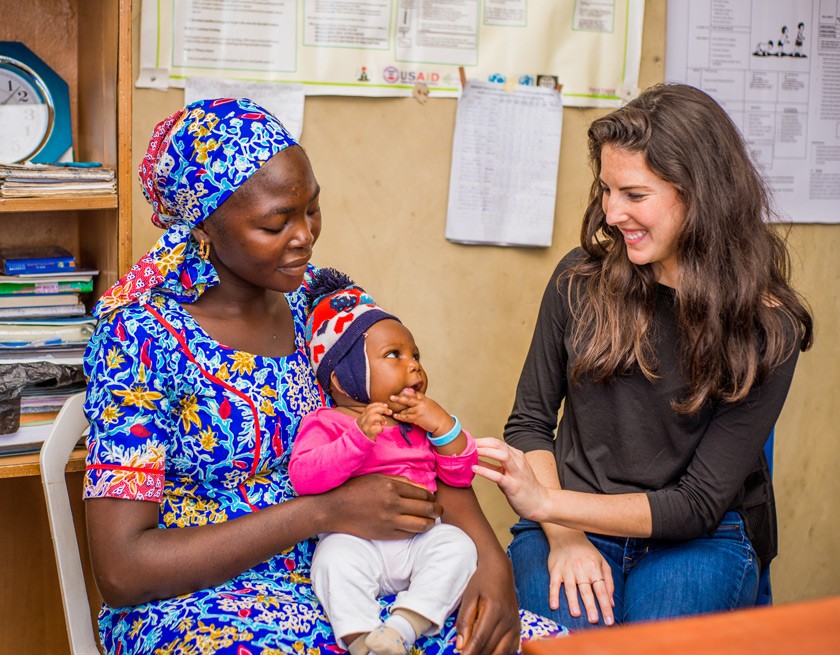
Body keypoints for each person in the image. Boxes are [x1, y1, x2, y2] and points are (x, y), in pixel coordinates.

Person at [82, 97, 561, 654]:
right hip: (197, 604)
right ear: (205, 226)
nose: (304, 235)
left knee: (537, 645)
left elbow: (413, 427)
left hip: (360, 575)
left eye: (311, 208)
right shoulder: (138, 338)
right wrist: (323, 511)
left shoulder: (323, 303)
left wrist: (487, 560)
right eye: (274, 222)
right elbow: (123, 569)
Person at [472, 83, 814, 631]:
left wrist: (547, 505)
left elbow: (697, 504)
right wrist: (562, 535)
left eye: (634, 195)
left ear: (700, 196)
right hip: (568, 519)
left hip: (697, 539)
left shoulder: (767, 328)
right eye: (606, 191)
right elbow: (531, 424)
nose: (610, 214)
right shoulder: (577, 281)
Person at [288, 269, 480, 655]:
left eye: (416, 356)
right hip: (356, 541)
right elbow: (304, 477)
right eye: (394, 355)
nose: (413, 366)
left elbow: (460, 473)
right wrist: (357, 439)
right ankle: (359, 636)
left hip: (417, 541)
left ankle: (402, 627)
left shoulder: (419, 423)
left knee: (458, 546)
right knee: (331, 561)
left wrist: (443, 425)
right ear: (343, 378)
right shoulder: (329, 422)